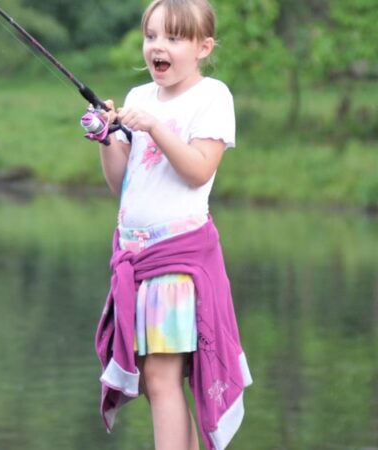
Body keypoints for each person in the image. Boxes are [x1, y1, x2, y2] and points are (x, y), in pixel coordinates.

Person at [86, 1, 253, 449]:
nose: (158, 47)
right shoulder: (140, 99)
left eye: (174, 38)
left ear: (203, 47)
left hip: (178, 260)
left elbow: (199, 169)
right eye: (152, 36)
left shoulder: (213, 96)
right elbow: (122, 183)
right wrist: (108, 139)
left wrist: (156, 128)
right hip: (137, 261)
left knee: (161, 377)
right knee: (161, 378)